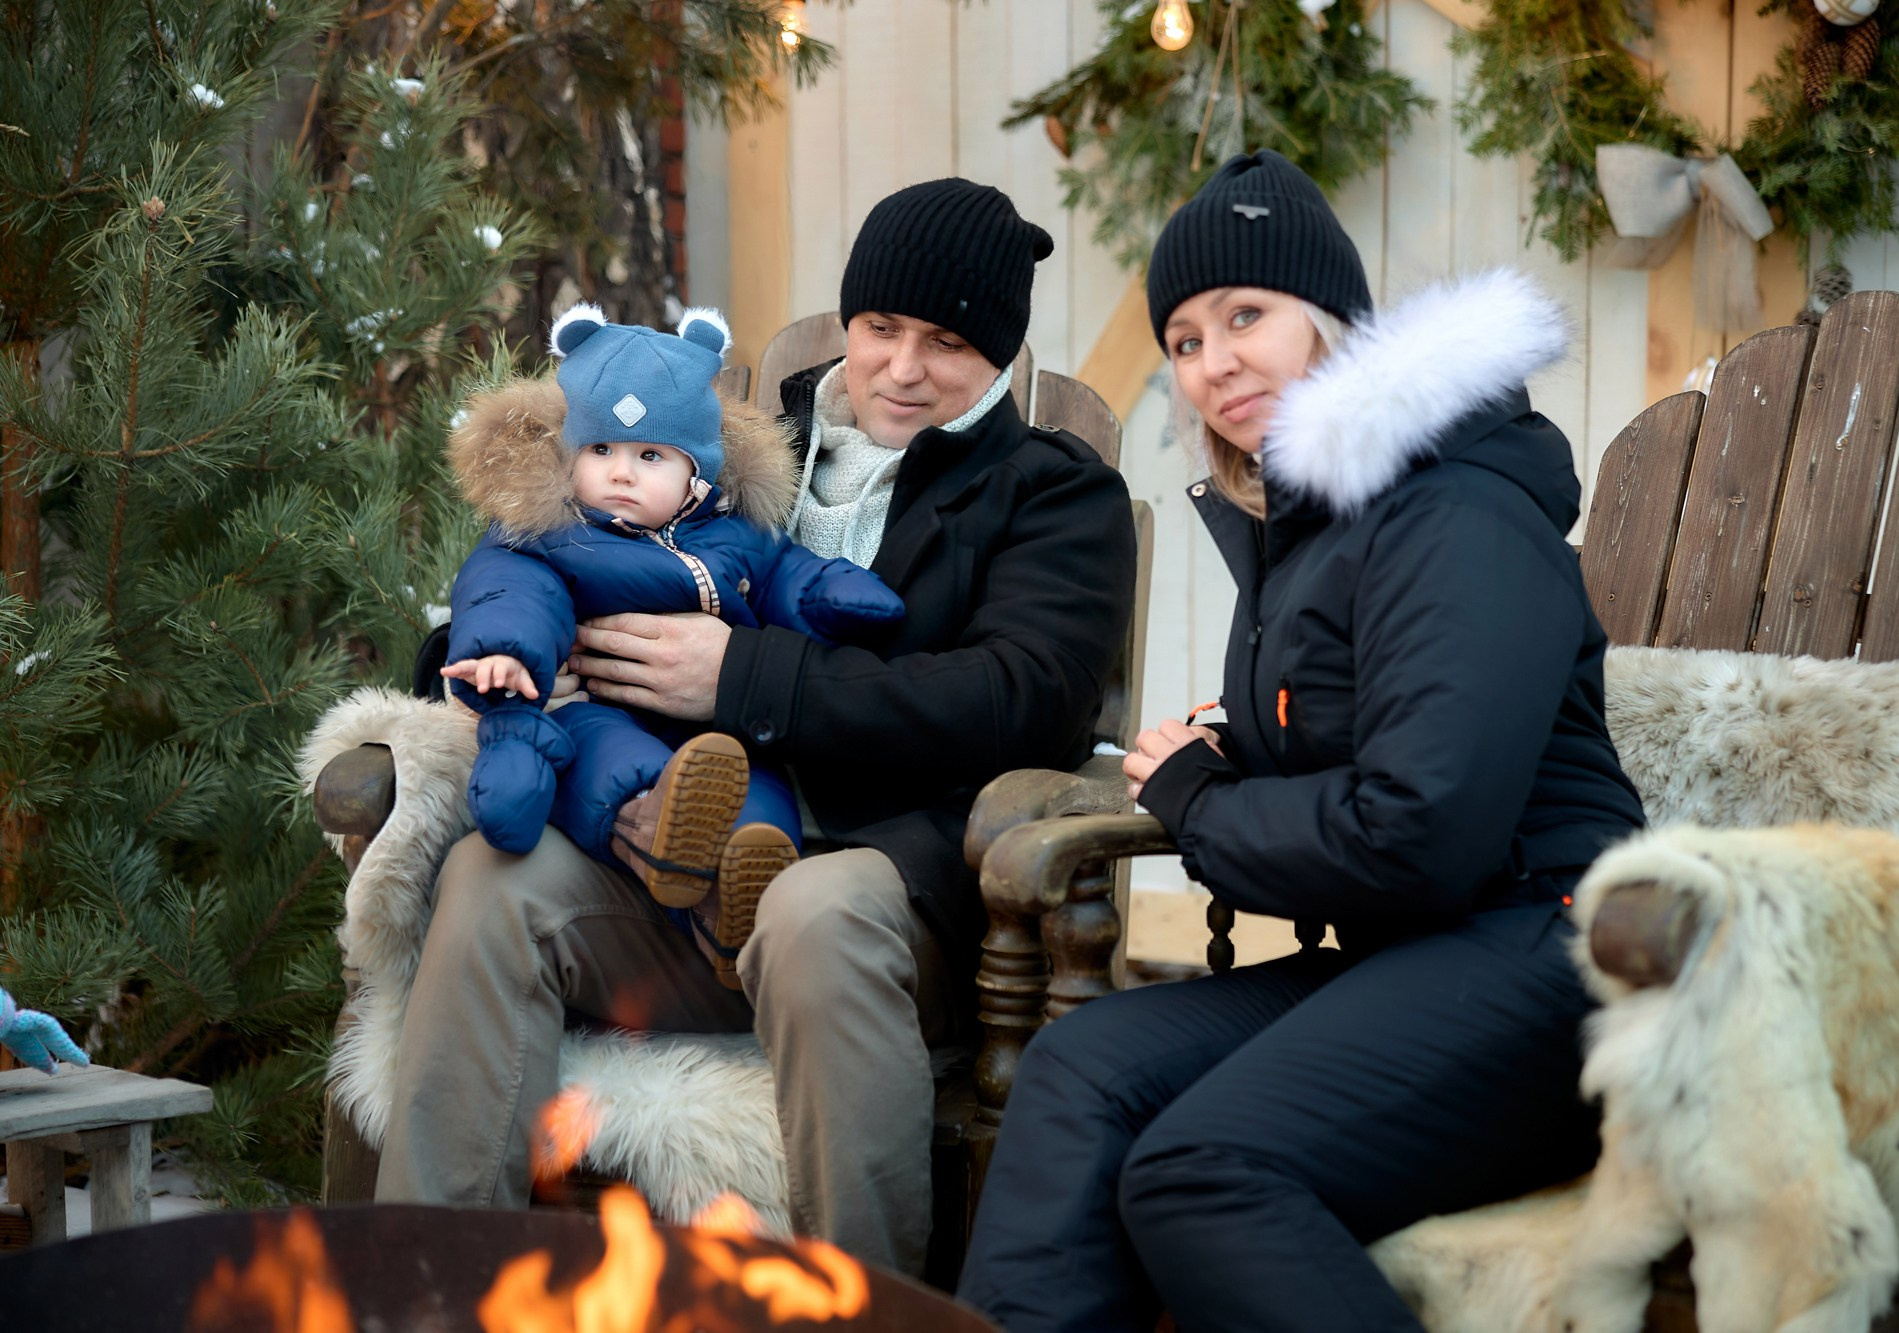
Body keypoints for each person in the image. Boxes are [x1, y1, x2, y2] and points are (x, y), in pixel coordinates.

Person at [375, 177, 1138, 1277]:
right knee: (497, 886)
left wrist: (746, 677)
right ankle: (429, 1284)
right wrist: (493, 671)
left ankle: (860, 1305)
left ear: (1000, 358)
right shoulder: (724, 455)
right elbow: (541, 559)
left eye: (948, 343)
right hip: (665, 868)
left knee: (809, 909)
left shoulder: (1048, 495)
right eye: (880, 327)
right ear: (848, 319)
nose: (903, 366)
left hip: (890, 884)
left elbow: (1020, 695)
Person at [955, 149, 1647, 1331]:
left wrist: (1197, 798)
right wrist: (1229, 748)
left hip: (1553, 958)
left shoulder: (1455, 508)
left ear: (1330, 320)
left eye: (1245, 316)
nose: (1212, 361)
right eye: (1182, 339)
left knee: (1201, 1170)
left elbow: (1421, 830)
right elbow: (1363, 734)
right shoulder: (1315, 527)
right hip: (1421, 954)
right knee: (1081, 1071)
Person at [439, 305, 903, 985]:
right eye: (600, 451)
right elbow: (508, 590)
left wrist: (833, 594)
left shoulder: (737, 533)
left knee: (753, 789)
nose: (620, 473)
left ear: (699, 474)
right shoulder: (550, 532)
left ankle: (737, 907)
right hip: (598, 707)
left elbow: (784, 578)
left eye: (649, 455)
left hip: (717, 726)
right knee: (612, 760)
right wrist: (507, 650)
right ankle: (656, 832)